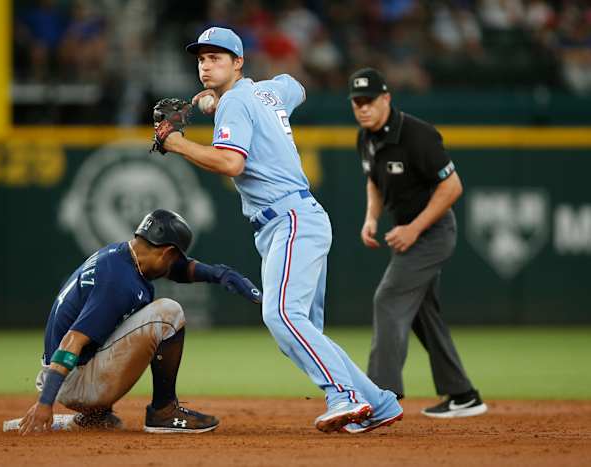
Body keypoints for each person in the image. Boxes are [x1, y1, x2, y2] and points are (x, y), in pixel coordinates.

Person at [151, 27, 402, 434]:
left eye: (216, 57)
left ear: (238, 62)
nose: (205, 65)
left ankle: (344, 396)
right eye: (201, 58)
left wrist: (177, 143)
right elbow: (294, 86)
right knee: (299, 327)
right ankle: (379, 403)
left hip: (290, 219)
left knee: (283, 315)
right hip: (295, 219)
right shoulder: (264, 92)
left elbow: (231, 163)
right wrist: (224, 98)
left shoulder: (236, 102)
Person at [17, 209, 262, 435]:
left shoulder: (122, 257)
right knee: (168, 313)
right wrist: (44, 404)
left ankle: (95, 416)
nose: (173, 266)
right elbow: (73, 340)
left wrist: (220, 274)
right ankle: (163, 411)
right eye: (174, 258)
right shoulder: (118, 282)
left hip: (66, 373)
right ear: (167, 252)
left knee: (130, 320)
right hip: (73, 380)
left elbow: (179, 269)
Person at [349, 67, 487, 418]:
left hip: (433, 233)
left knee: (389, 297)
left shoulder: (417, 135)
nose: (363, 108)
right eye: (357, 102)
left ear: (386, 99)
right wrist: (371, 218)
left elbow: (452, 187)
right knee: (424, 316)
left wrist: (414, 228)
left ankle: (380, 396)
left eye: (369, 101)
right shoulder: (365, 138)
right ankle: (463, 394)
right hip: (408, 233)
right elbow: (374, 182)